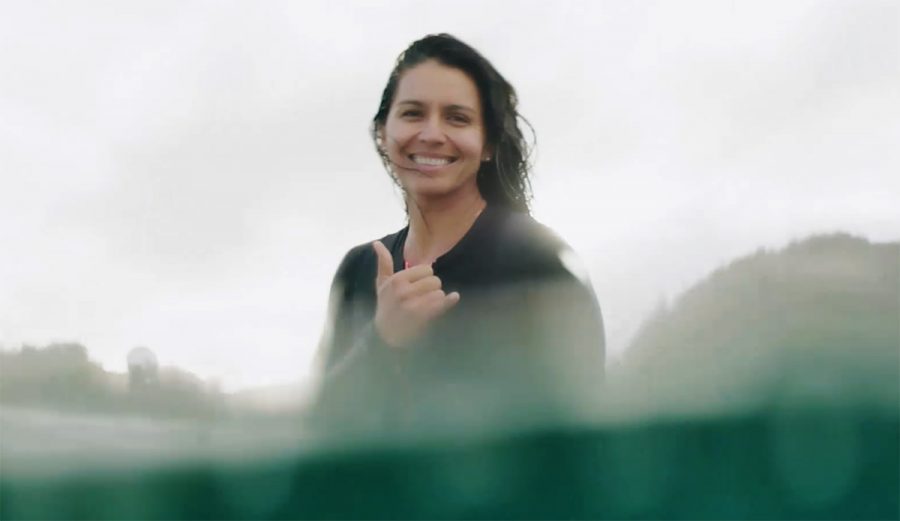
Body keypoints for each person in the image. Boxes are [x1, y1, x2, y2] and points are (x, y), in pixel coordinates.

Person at [310, 34, 605, 436]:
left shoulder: (538, 261)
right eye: (413, 113)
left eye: (457, 118)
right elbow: (322, 435)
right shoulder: (358, 269)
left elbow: (577, 438)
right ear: (383, 132)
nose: (432, 133)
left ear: (487, 145)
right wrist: (382, 339)